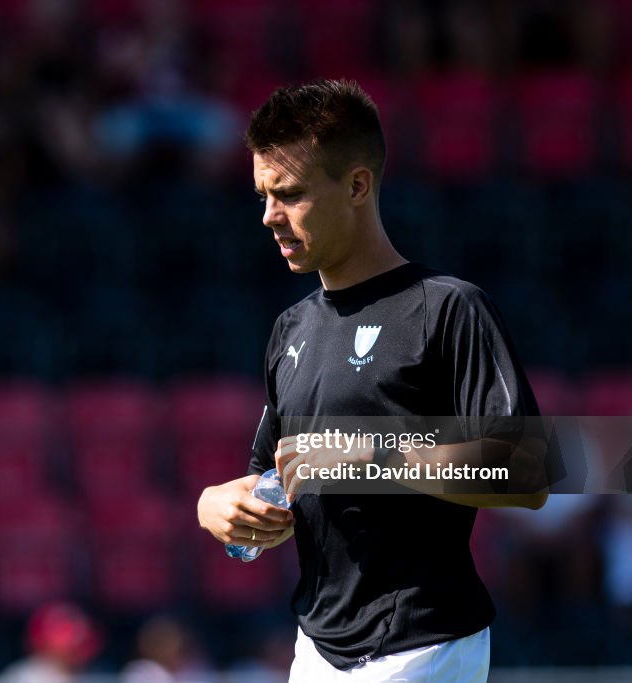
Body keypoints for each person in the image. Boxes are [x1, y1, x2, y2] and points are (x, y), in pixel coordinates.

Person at [196, 79, 548, 682]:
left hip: (425, 646)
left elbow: (526, 470)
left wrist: (371, 456)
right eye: (262, 195)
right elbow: (271, 478)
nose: (268, 216)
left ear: (358, 185)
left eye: (290, 195)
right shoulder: (291, 329)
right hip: (316, 650)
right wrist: (219, 504)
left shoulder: (448, 309)